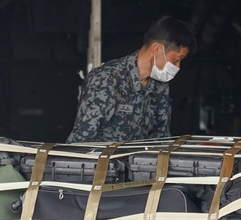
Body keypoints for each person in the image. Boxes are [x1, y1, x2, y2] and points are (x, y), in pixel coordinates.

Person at [67, 16, 197, 142]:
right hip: (103, 163)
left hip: (141, 163)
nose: (177, 66)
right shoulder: (107, 79)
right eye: (177, 59)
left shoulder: (160, 85)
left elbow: (161, 138)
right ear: (157, 49)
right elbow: (81, 141)